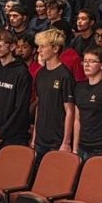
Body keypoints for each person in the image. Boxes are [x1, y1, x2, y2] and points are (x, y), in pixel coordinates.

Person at [0, 29, 33, 148]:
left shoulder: (22, 73)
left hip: (13, 137)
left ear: (12, 46)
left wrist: (1, 133)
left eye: (1, 44)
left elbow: (21, 109)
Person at [31, 28, 75, 158]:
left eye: (43, 47)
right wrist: (34, 137)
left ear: (55, 48)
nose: (39, 50)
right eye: (39, 47)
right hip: (40, 138)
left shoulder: (64, 75)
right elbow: (40, 105)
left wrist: (66, 142)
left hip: (56, 140)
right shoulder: (40, 73)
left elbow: (70, 110)